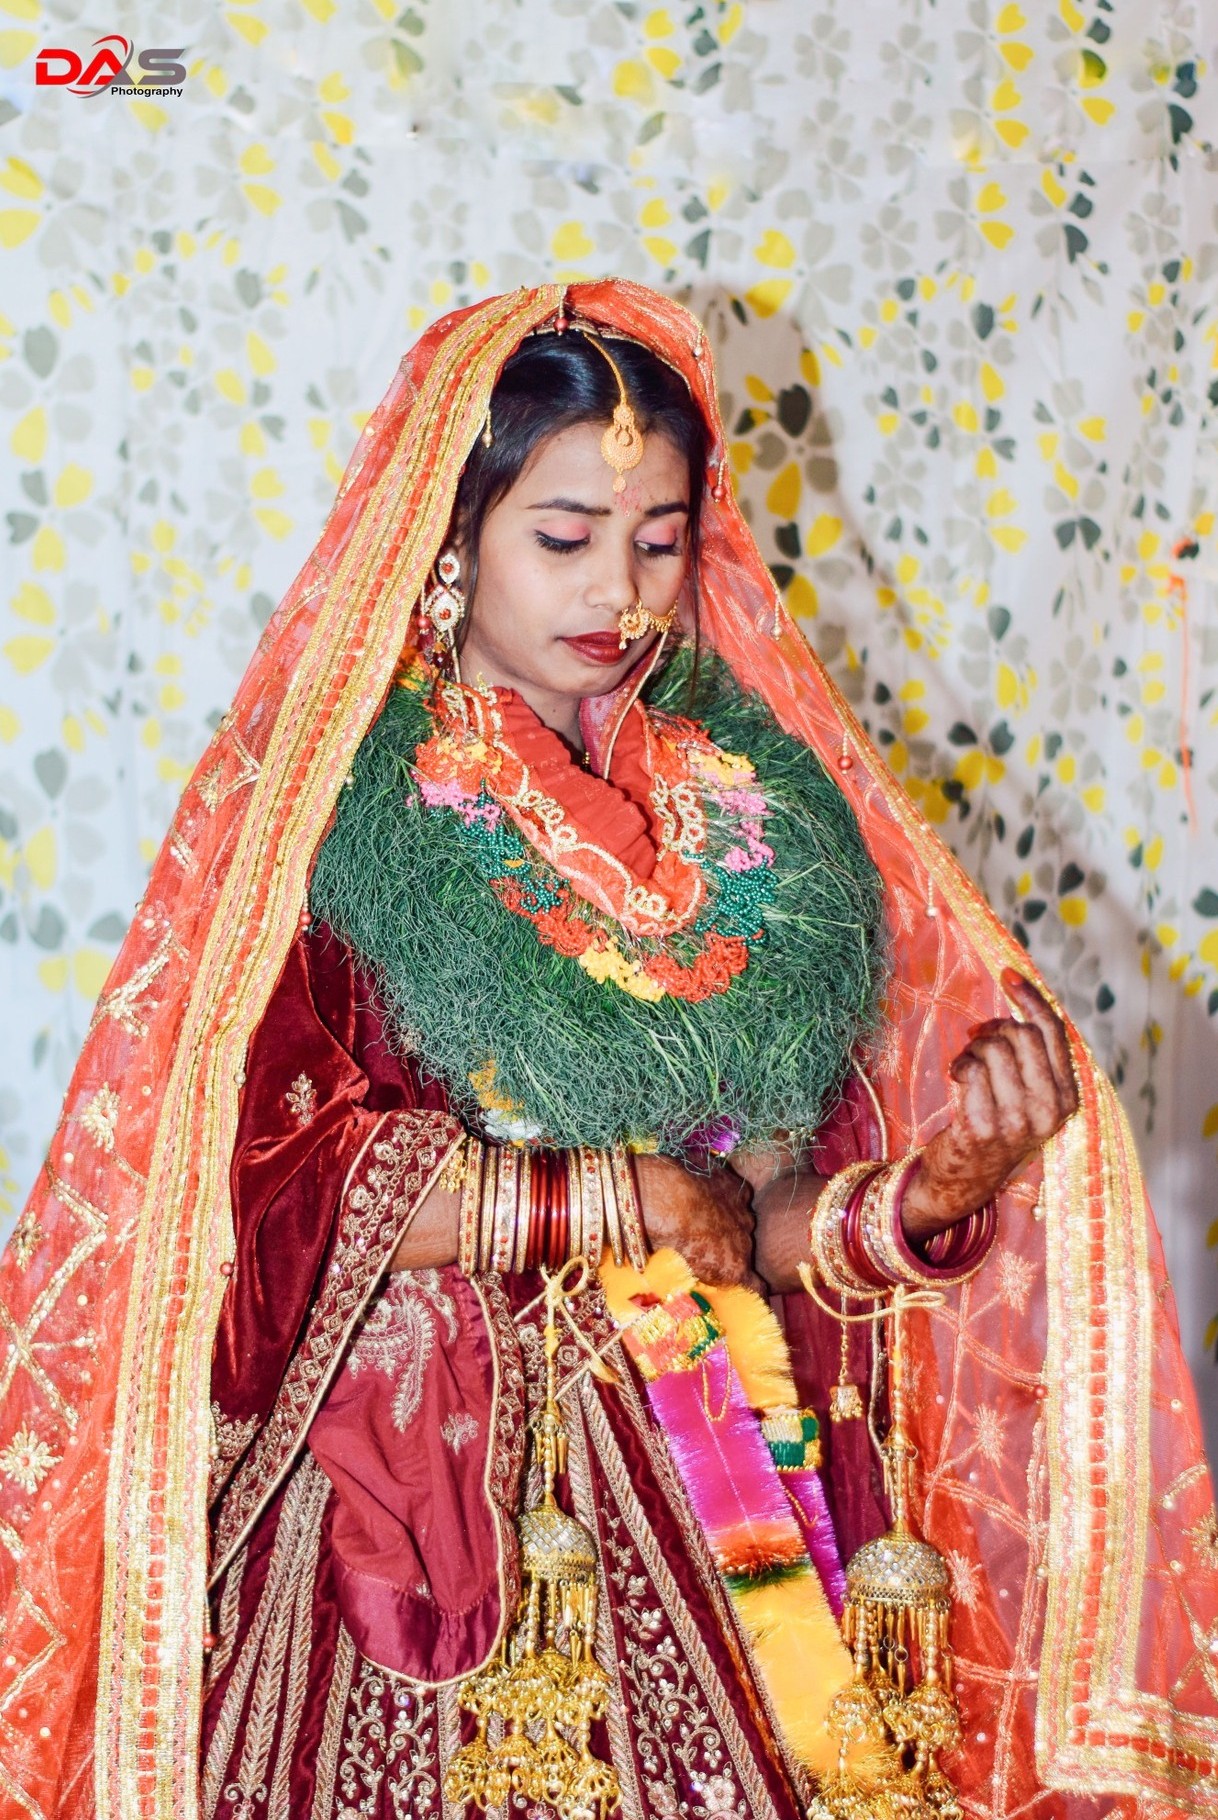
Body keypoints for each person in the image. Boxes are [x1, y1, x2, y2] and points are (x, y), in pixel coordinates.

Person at [0, 281, 1213, 1820]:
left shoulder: (748, 825)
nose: (617, 590)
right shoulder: (332, 814)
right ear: (452, 541)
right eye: (564, 536)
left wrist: (939, 1186)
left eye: (656, 540)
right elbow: (256, 1194)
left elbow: (747, 1226)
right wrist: (610, 1196)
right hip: (428, 1501)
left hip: (710, 1483)